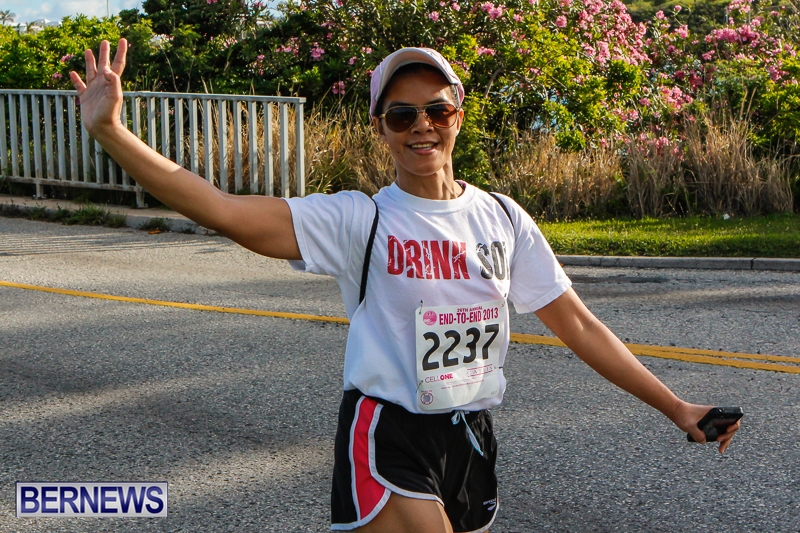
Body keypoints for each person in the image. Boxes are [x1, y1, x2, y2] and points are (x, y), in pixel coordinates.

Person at [71, 40, 740, 533]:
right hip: (387, 432)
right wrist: (112, 132)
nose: (422, 125)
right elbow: (222, 209)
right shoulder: (358, 219)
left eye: (437, 109)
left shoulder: (503, 217)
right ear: (381, 129)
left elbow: (581, 326)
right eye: (401, 115)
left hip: (471, 434)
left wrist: (676, 406)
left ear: (458, 116)